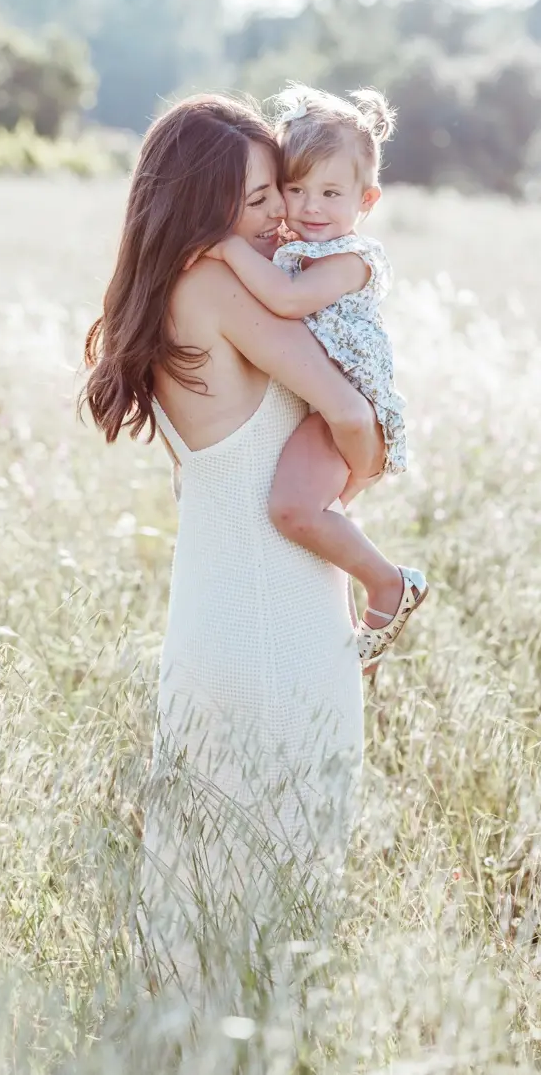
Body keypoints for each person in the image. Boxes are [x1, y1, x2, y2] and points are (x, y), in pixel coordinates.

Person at [81, 95, 385, 1012]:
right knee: (288, 870)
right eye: (257, 198)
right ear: (205, 202)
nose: (278, 216)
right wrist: (356, 478)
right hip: (278, 620)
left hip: (212, 614)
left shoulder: (168, 290)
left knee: (201, 872)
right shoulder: (219, 286)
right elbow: (354, 416)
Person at [190, 83, 428, 669]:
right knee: (315, 525)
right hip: (329, 405)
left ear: (365, 200)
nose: (310, 206)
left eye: (330, 192)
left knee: (293, 511)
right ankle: (346, 635)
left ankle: (390, 585)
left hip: (354, 404)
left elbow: (290, 301)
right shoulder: (299, 245)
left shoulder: (350, 258)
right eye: (294, 190)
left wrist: (226, 249)